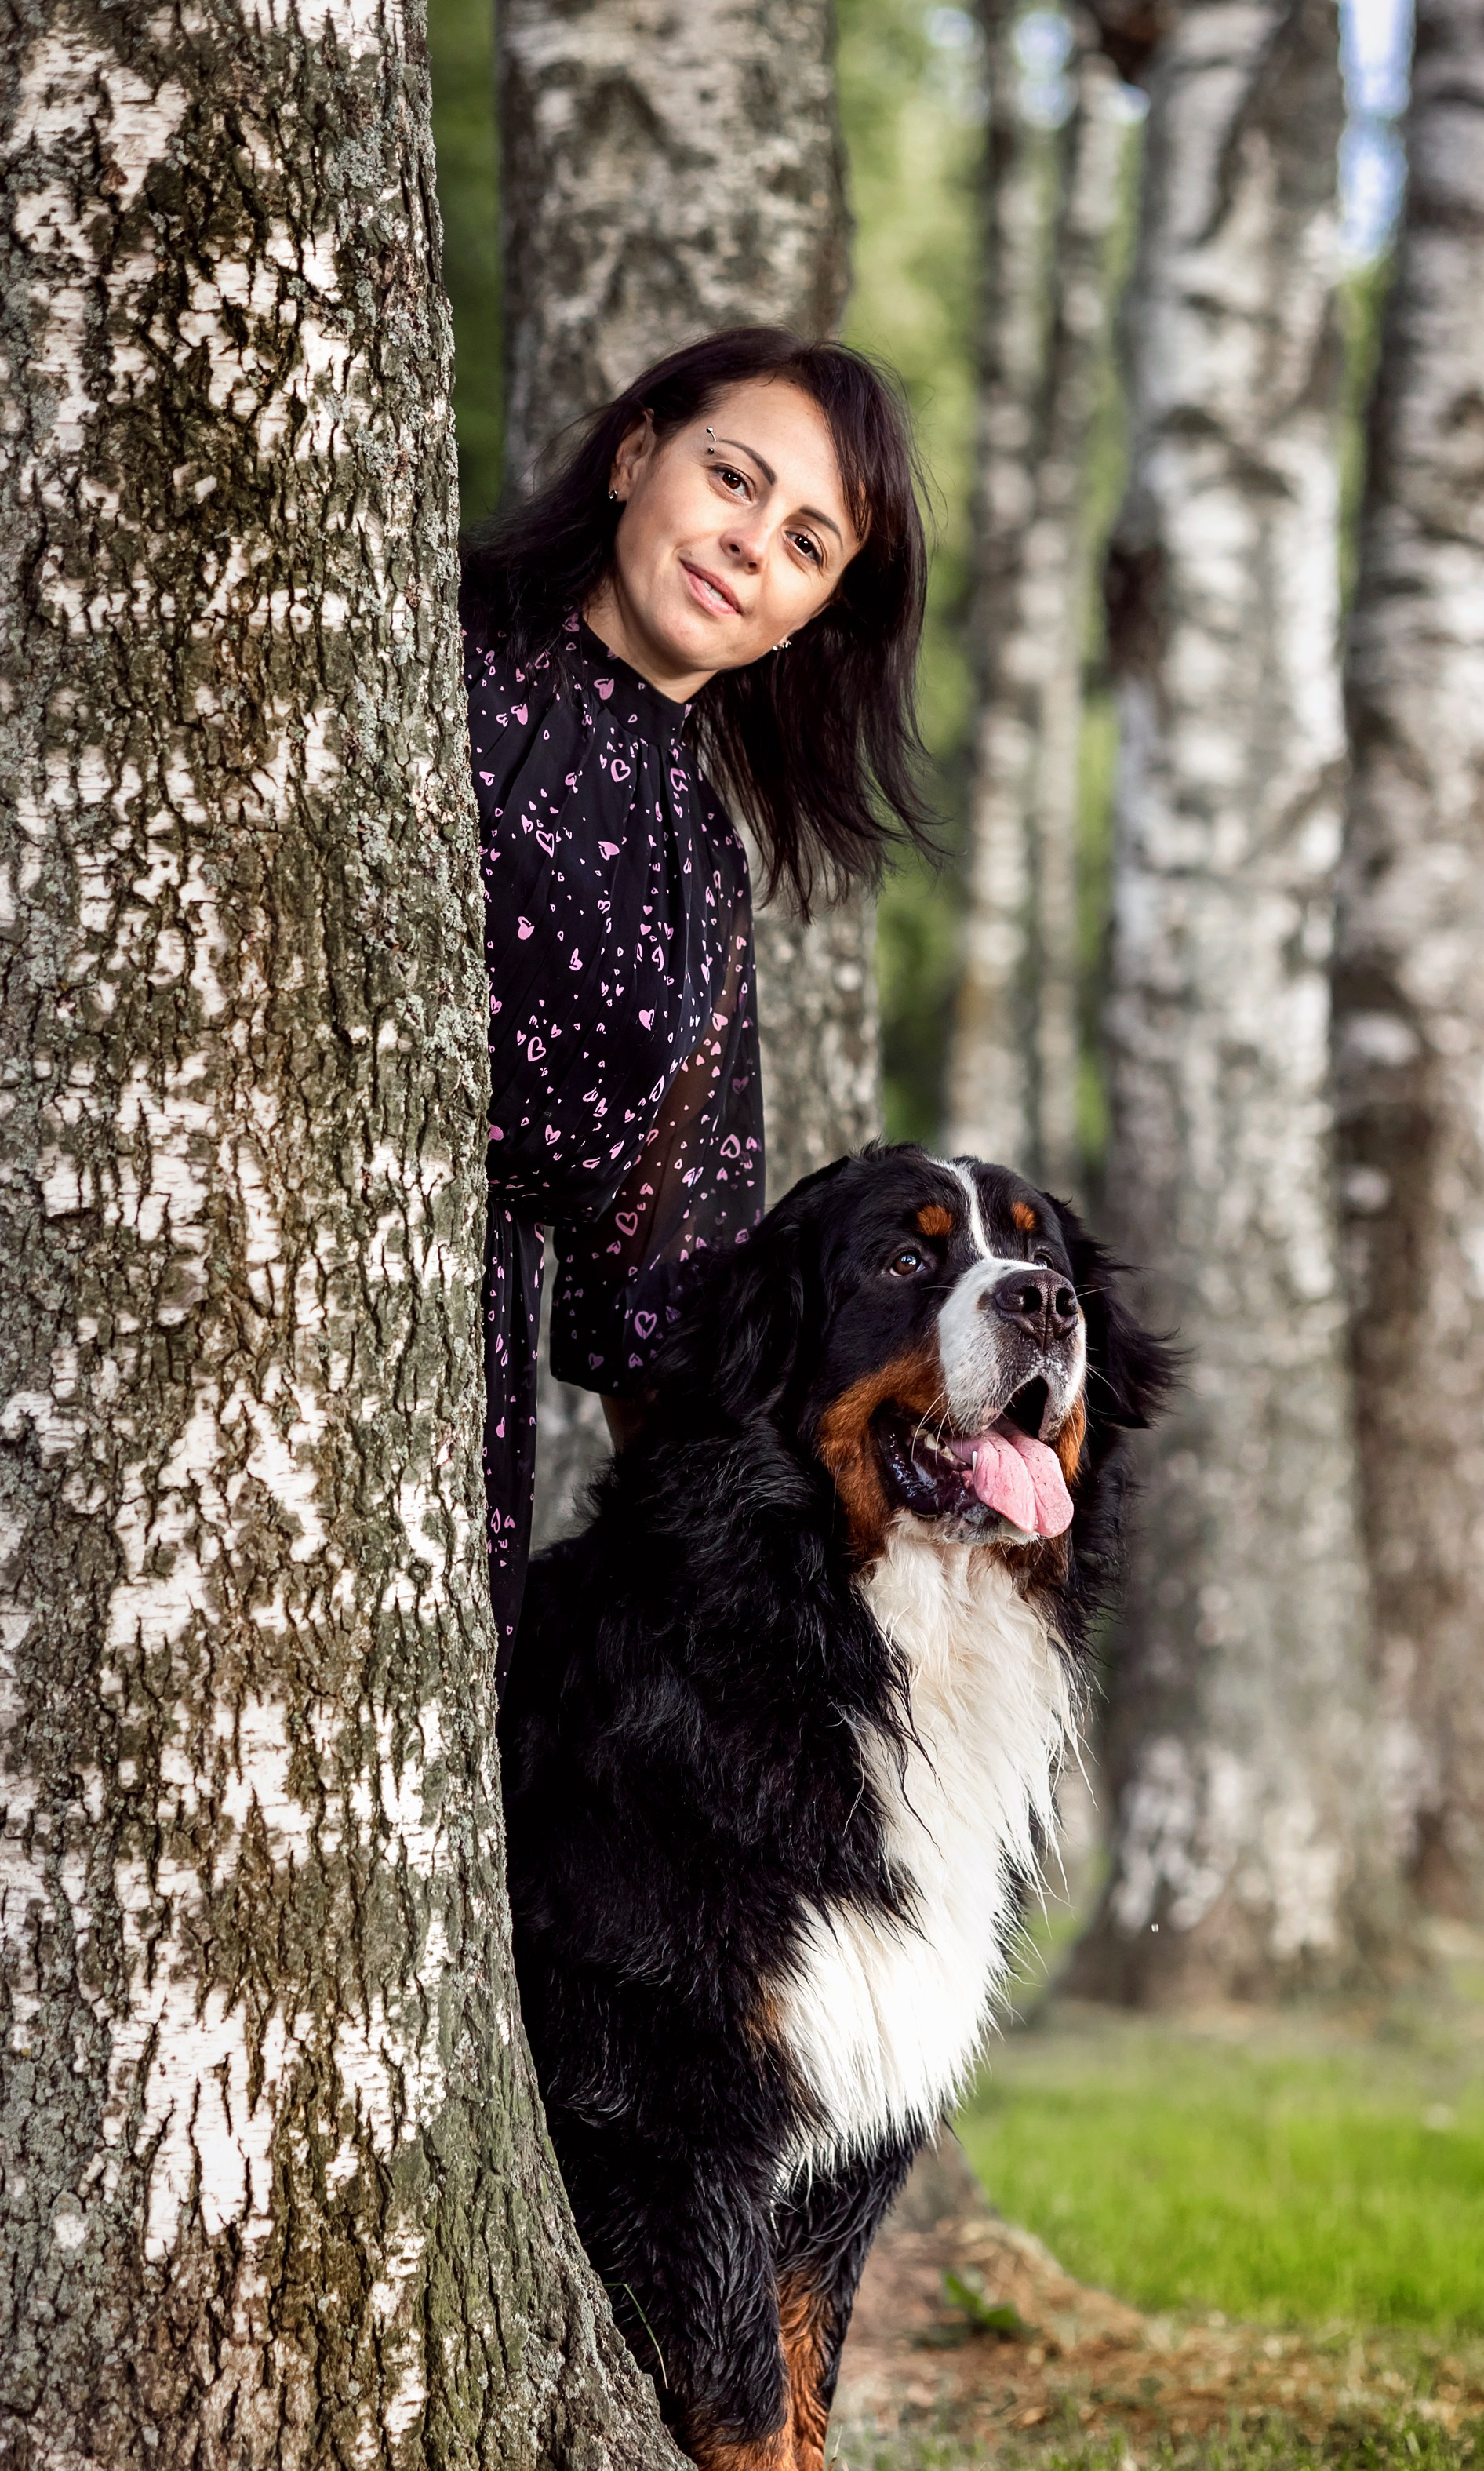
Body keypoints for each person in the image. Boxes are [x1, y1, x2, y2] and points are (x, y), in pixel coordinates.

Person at [459, 329, 931, 1674]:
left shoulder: (701, 871)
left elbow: (658, 1304)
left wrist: (744, 1634)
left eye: (804, 544)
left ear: (812, 614)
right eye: (732, 480)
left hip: (437, 1406)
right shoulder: (414, 653)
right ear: (632, 452)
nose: (747, 544)